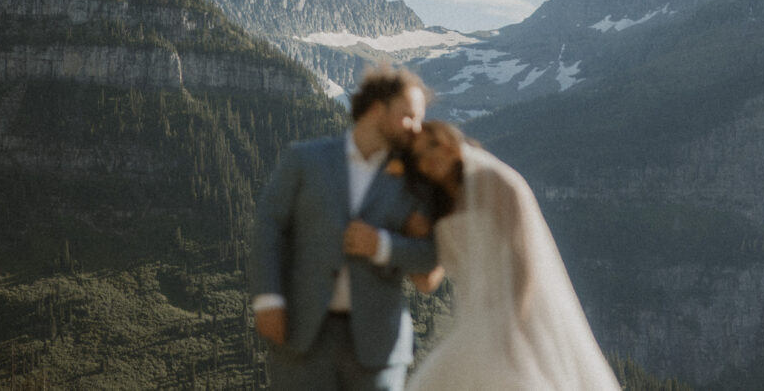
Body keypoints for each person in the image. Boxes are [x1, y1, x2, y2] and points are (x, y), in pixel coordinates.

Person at [350, 121, 620, 390]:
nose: (429, 157)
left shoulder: (501, 183)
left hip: (515, 322)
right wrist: (398, 235)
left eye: (433, 145)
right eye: (418, 156)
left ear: (451, 141)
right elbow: (427, 282)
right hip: (472, 330)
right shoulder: (437, 206)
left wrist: (510, 331)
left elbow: (526, 264)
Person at [249, 66, 439, 391]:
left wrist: (382, 246)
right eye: (409, 116)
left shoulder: (417, 181)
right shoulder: (304, 159)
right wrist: (268, 300)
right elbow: (269, 226)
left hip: (379, 346)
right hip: (302, 336)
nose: (417, 129)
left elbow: (432, 258)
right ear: (377, 108)